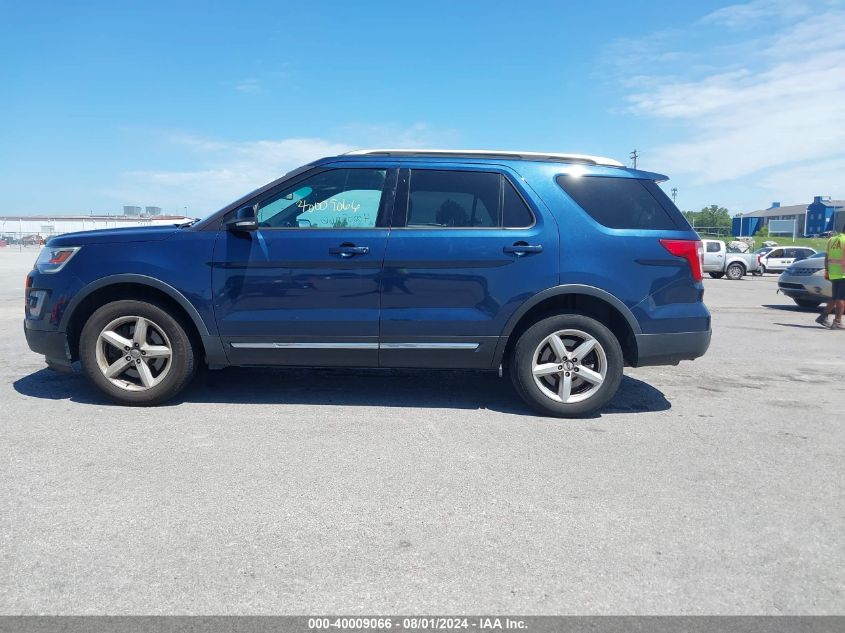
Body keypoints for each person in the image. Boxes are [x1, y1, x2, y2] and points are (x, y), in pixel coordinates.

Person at [816, 214, 845, 329]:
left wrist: (827, 271)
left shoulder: (831, 240)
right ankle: (837, 322)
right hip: (843, 273)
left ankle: (822, 317)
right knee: (841, 298)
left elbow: (826, 257)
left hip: (833, 272)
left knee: (834, 298)